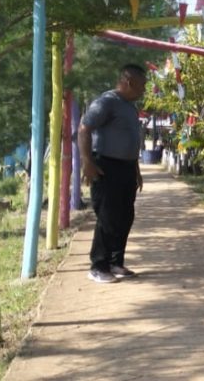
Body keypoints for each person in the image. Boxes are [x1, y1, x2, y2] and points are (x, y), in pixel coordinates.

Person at [79, 64, 147, 284]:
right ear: (129, 82)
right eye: (142, 85)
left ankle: (115, 262)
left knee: (125, 216)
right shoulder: (106, 102)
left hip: (126, 168)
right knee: (108, 217)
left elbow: (130, 142)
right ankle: (98, 266)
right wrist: (87, 161)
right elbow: (84, 129)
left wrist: (136, 171)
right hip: (106, 166)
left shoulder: (130, 107)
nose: (144, 89)